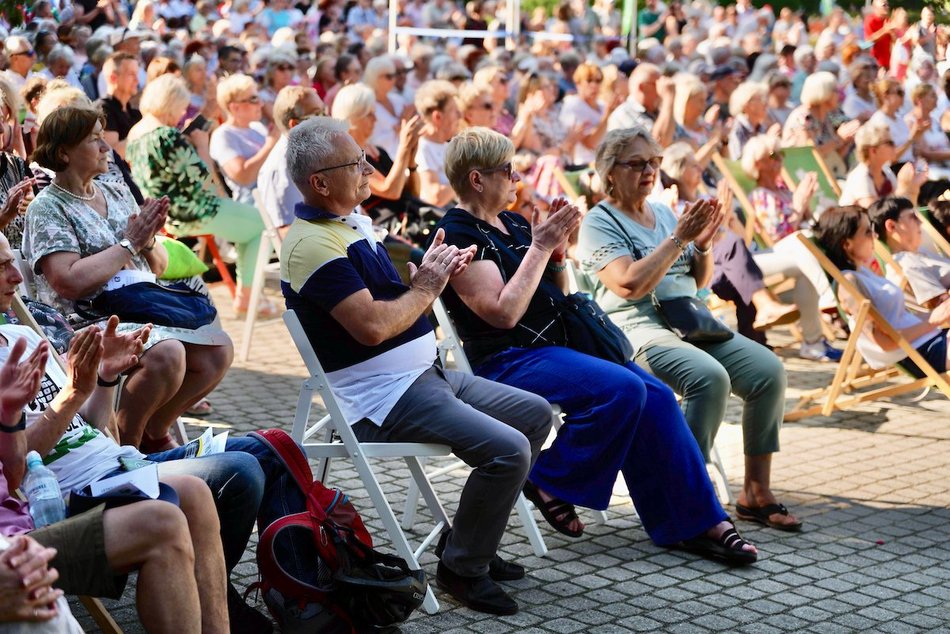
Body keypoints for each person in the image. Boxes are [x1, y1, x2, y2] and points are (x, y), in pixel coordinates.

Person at [436, 126, 759, 565]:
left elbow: (555, 290)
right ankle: (549, 478)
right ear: (477, 179)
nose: (516, 178)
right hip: (507, 359)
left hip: (558, 348)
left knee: (658, 396)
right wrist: (541, 247)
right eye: (508, 171)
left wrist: (557, 258)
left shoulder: (511, 221)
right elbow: (503, 313)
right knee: (623, 391)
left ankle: (699, 521)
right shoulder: (458, 231)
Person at [280, 116, 553, 615]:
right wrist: (427, 287)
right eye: (355, 162)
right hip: (383, 398)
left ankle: (469, 539)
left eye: (365, 156)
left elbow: (395, 305)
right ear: (319, 183)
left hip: (424, 377)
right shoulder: (311, 243)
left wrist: (425, 281)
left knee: (536, 415)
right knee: (509, 449)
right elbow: (372, 328)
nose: (369, 168)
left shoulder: (350, 223)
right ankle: (463, 569)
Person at [578, 127, 801, 532]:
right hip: (635, 328)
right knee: (708, 378)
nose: (649, 170)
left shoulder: (662, 212)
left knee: (768, 371)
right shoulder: (598, 222)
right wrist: (679, 239)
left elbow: (699, 281)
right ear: (610, 172)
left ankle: (755, 492)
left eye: (655, 162)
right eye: (637, 163)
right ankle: (685, 499)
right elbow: (628, 284)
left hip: (689, 319)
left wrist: (703, 245)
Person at [24, 104, 234, 451]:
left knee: (218, 349)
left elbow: (161, 266)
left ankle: (154, 429)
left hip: (142, 305)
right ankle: (129, 446)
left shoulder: (115, 189)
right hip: (86, 321)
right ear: (64, 152)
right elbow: (68, 282)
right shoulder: (48, 207)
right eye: (94, 140)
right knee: (168, 355)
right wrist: (129, 244)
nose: (107, 146)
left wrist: (148, 239)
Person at [127, 75, 270, 317]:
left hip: (165, 212)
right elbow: (204, 180)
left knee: (252, 225)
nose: (182, 114)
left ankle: (247, 294)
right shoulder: (165, 135)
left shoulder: (135, 133)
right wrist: (202, 144)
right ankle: (247, 294)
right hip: (192, 210)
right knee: (261, 225)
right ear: (170, 103)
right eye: (181, 108)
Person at [659, 142, 798, 345]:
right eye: (693, 165)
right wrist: (720, 224)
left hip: (726, 269)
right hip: (700, 272)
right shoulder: (671, 204)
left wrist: (729, 218)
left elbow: (743, 242)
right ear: (678, 171)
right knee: (738, 262)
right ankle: (764, 311)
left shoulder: (708, 199)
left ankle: (757, 348)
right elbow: (693, 244)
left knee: (740, 272)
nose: (700, 169)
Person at [814, 204, 950, 378]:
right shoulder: (848, 285)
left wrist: (940, 314)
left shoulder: (863, 274)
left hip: (933, 340)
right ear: (847, 244)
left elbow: (899, 321)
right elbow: (885, 343)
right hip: (925, 353)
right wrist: (932, 320)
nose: (875, 236)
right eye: (867, 232)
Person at [741, 134, 842, 361]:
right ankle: (829, 295)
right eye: (772, 156)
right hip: (768, 256)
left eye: (781, 154)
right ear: (758, 163)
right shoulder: (760, 195)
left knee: (807, 265)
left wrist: (804, 205)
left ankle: (813, 343)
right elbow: (777, 236)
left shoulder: (784, 191)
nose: (779, 160)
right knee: (803, 241)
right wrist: (798, 205)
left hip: (796, 256)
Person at [331, 83, 425, 231]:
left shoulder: (378, 151)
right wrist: (403, 148)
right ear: (353, 119)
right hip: (390, 230)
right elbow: (390, 191)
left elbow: (413, 193)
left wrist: (411, 162)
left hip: (412, 220)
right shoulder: (348, 160)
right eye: (370, 114)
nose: (375, 119)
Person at [257, 85, 326, 231]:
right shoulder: (281, 168)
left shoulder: (318, 150)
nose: (326, 119)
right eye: (317, 115)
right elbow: (289, 231)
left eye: (324, 111)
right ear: (295, 125)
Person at [209, 73, 280, 205]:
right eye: (253, 99)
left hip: (274, 194)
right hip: (255, 203)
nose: (261, 103)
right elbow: (243, 176)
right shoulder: (222, 135)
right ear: (234, 107)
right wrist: (270, 144)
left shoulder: (257, 127)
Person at [870, 196, 950, 310]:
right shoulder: (907, 264)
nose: (920, 222)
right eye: (913, 217)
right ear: (892, 226)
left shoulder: (918, 253)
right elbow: (942, 309)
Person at [839, 122, 925, 208]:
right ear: (873, 151)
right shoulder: (859, 177)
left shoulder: (886, 172)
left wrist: (913, 187)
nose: (895, 146)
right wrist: (902, 187)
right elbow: (876, 214)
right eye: (890, 143)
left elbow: (904, 207)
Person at [414, 80, 460, 208]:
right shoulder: (422, 148)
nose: (460, 115)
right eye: (454, 110)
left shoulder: (448, 144)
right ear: (437, 117)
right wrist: (466, 177)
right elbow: (434, 197)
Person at [868, 77, 925, 168]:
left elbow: (911, 152)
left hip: (909, 166)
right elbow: (889, 159)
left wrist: (918, 136)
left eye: (903, 92)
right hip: (893, 170)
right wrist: (911, 138)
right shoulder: (879, 121)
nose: (903, 96)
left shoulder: (899, 118)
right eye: (899, 92)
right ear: (885, 96)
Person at [97, 52, 141, 160]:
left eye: (137, 74)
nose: (137, 80)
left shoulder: (133, 112)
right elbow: (112, 154)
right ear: (113, 78)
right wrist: (143, 129)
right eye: (131, 74)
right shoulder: (103, 109)